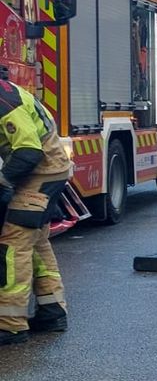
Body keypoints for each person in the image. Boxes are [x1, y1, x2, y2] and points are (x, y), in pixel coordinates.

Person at [0, 80, 75, 344]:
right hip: (49, 170)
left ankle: (10, 324)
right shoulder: (7, 91)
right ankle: (52, 311)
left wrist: (3, 180)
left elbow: (28, 151)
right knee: (36, 242)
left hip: (41, 173)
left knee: (13, 244)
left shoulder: (5, 102)